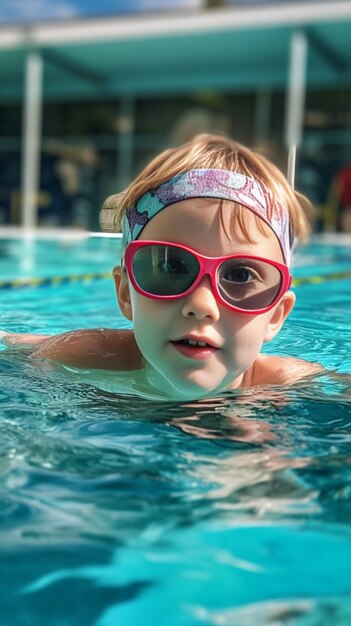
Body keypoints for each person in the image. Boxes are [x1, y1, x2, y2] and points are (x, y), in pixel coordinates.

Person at [1, 134, 322, 400]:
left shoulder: (286, 385)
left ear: (276, 314)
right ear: (126, 293)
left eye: (240, 275)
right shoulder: (85, 355)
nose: (201, 305)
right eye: (170, 266)